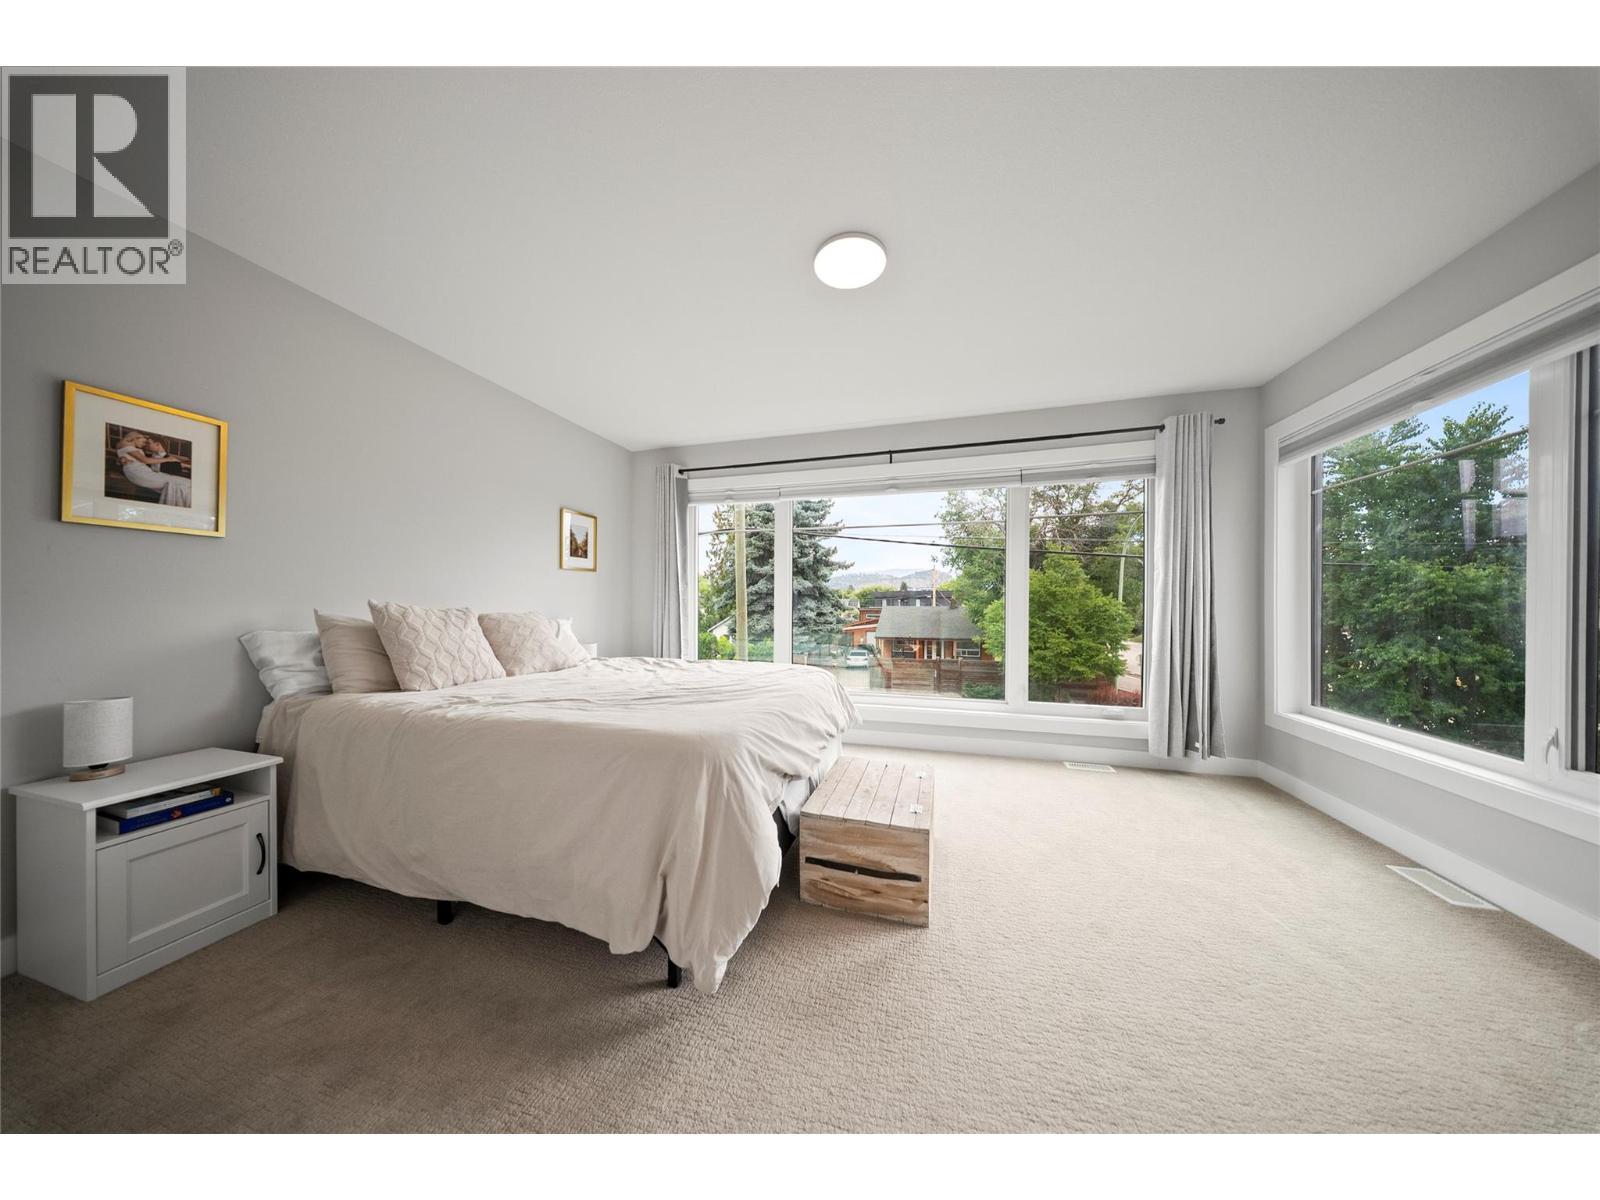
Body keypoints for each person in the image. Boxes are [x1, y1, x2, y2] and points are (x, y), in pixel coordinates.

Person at [115, 432, 192, 507]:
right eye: (143, 442)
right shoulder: (126, 445)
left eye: (147, 443)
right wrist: (168, 459)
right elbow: (146, 460)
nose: (144, 445)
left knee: (183, 482)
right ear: (135, 439)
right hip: (139, 472)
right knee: (179, 483)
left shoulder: (133, 449)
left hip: (143, 471)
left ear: (158, 444)